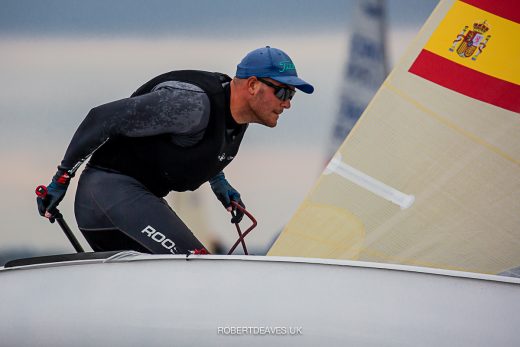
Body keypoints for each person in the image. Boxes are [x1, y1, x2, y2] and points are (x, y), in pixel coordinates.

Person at [36, 46, 314, 255]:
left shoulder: (235, 115)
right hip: (108, 196)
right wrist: (61, 179)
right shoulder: (191, 104)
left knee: (179, 276)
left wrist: (219, 181)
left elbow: (191, 143)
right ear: (253, 85)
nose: (287, 103)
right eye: (284, 93)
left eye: (292, 95)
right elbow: (102, 118)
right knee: (195, 266)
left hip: (135, 200)